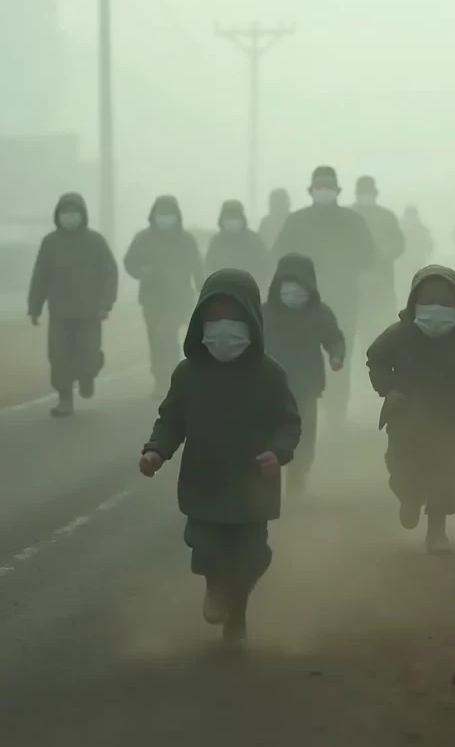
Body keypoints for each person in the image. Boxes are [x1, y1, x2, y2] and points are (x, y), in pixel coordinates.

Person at [139, 269, 301, 645]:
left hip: (254, 488)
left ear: (251, 321)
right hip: (204, 482)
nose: (223, 328)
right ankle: (215, 587)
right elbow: (171, 419)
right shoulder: (188, 374)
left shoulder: (270, 375)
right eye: (214, 319)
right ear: (200, 322)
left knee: (251, 556)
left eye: (234, 318)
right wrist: (155, 451)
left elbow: (288, 423)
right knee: (207, 545)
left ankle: (237, 618)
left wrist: (278, 452)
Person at [366, 265, 455, 554]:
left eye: (445, 303)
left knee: (445, 472)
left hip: (450, 417)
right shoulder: (397, 335)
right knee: (401, 466)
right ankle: (408, 498)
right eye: (428, 302)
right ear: (414, 303)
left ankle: (437, 532)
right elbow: (376, 359)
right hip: (404, 416)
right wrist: (388, 389)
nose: (436, 309)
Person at [272, 166, 375, 427]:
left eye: (329, 186)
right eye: (320, 187)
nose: (324, 191)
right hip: (298, 301)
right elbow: (277, 257)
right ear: (310, 190)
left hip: (343, 299)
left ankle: (336, 415)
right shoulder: (296, 221)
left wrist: (351, 267)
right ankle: (298, 411)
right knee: (296, 355)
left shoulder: (352, 221)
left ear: (338, 190)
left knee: (339, 354)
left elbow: (369, 256)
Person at [27, 192, 118, 419]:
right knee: (58, 357)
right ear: (58, 215)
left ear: (82, 214)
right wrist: (34, 306)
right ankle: (64, 399)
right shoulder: (50, 242)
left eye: (74, 211)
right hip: (59, 312)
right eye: (65, 212)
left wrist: (105, 304)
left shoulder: (96, 241)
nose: (69, 216)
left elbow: (110, 273)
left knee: (88, 356)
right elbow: (40, 276)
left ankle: (88, 375)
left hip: (90, 312)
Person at [262, 253, 345, 496]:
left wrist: (336, 356)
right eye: (287, 291)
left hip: (308, 385)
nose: (293, 297)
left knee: (304, 436)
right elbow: (248, 343)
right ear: (277, 288)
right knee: (268, 434)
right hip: (269, 386)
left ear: (310, 288)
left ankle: (298, 477)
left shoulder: (320, 313)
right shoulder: (263, 313)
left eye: (299, 291)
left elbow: (335, 338)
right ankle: (269, 479)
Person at [123, 195, 204, 397]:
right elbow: (129, 262)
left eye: (169, 214)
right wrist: (142, 271)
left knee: (165, 335)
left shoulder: (186, 240)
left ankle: (166, 380)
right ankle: (164, 377)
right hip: (151, 298)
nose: (165, 218)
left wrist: (205, 292)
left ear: (177, 216)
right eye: (161, 214)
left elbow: (197, 268)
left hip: (179, 298)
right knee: (156, 339)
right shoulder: (143, 238)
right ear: (154, 216)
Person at [352, 175, 406, 347]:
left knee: (383, 324)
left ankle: (383, 358)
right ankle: (362, 363)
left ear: (375, 193)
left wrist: (387, 254)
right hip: (355, 282)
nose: (366, 195)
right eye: (363, 192)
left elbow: (399, 243)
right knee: (359, 325)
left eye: (368, 192)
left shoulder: (386, 216)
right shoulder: (348, 216)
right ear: (357, 194)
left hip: (382, 280)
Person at [206, 200, 269, 293]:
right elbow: (209, 267)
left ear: (242, 219)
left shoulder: (254, 240)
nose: (232, 222)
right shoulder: (217, 242)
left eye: (235, 217)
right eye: (228, 218)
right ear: (222, 220)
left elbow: (265, 266)